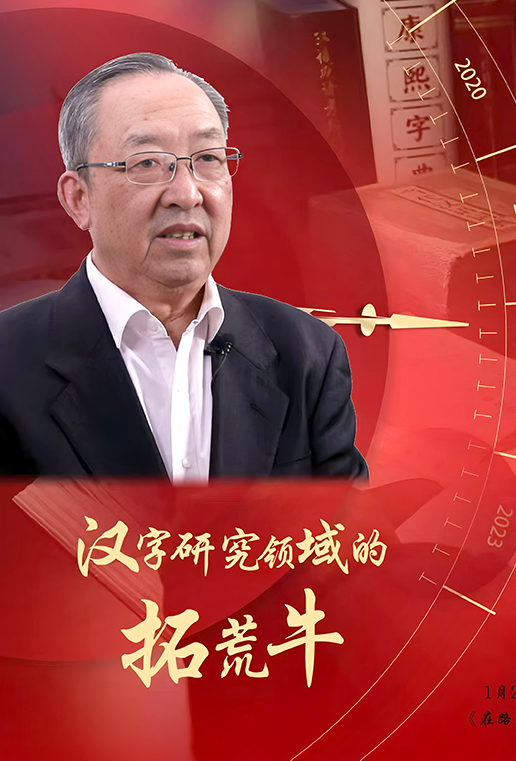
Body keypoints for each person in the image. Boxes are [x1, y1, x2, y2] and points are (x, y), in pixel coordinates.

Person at [0, 53, 367, 480]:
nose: (187, 194)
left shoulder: (308, 353)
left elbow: (347, 520)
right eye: (146, 163)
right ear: (79, 198)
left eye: (208, 158)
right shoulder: (8, 365)